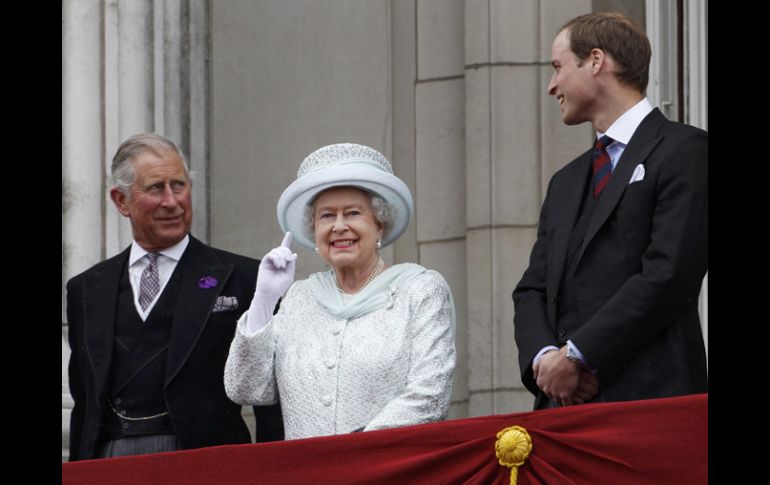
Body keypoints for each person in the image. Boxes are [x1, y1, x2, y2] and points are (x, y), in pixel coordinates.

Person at [512, 12, 708, 410]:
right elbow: (532, 289)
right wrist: (547, 360)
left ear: (596, 61)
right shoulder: (565, 181)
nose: (552, 86)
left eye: (558, 67)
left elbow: (668, 274)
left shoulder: (685, 150)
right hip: (564, 410)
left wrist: (579, 356)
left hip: (653, 405)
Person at [66, 133, 284, 460]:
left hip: (206, 463)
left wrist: (275, 472)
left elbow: (270, 400)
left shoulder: (245, 279)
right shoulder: (87, 289)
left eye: (179, 185)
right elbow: (85, 406)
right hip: (111, 463)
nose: (172, 201)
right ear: (121, 201)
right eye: (155, 188)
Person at [224, 142, 456, 439]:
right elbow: (246, 387)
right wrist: (264, 301)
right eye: (326, 216)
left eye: (353, 213)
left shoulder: (420, 290)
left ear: (380, 225)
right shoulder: (298, 298)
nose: (339, 226)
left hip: (388, 470)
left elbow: (430, 396)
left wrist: (349, 455)